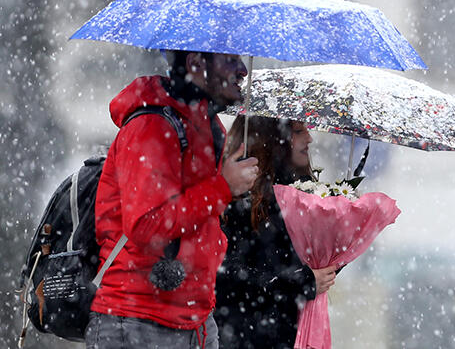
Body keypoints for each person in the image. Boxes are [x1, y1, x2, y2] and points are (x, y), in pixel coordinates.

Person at [85, 51, 260, 349]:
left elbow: (197, 214)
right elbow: (146, 225)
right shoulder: (151, 126)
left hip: (197, 320)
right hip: (138, 323)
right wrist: (223, 188)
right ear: (195, 63)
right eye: (230, 60)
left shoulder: (208, 125)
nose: (242, 70)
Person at [215, 116, 338, 349]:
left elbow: (308, 266)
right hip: (240, 335)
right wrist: (302, 282)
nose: (309, 139)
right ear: (273, 138)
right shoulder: (238, 196)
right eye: (299, 131)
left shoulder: (303, 193)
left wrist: (335, 250)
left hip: (288, 333)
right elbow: (226, 273)